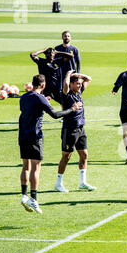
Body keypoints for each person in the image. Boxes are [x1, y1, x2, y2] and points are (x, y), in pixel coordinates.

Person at [19, 74, 82, 213]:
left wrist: (43, 103)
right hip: (34, 136)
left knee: (26, 166)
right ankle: (33, 199)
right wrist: (73, 109)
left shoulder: (24, 97)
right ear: (43, 85)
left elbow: (29, 110)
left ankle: (24, 196)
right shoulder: (40, 98)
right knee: (36, 167)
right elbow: (55, 115)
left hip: (22, 135)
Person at [55, 70, 95, 192]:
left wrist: (79, 76)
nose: (79, 85)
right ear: (71, 84)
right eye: (77, 83)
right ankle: (58, 183)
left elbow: (89, 79)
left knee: (84, 155)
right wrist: (68, 75)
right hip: (70, 130)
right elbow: (65, 86)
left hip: (81, 129)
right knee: (66, 156)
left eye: (79, 84)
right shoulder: (66, 95)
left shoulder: (79, 92)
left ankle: (82, 182)